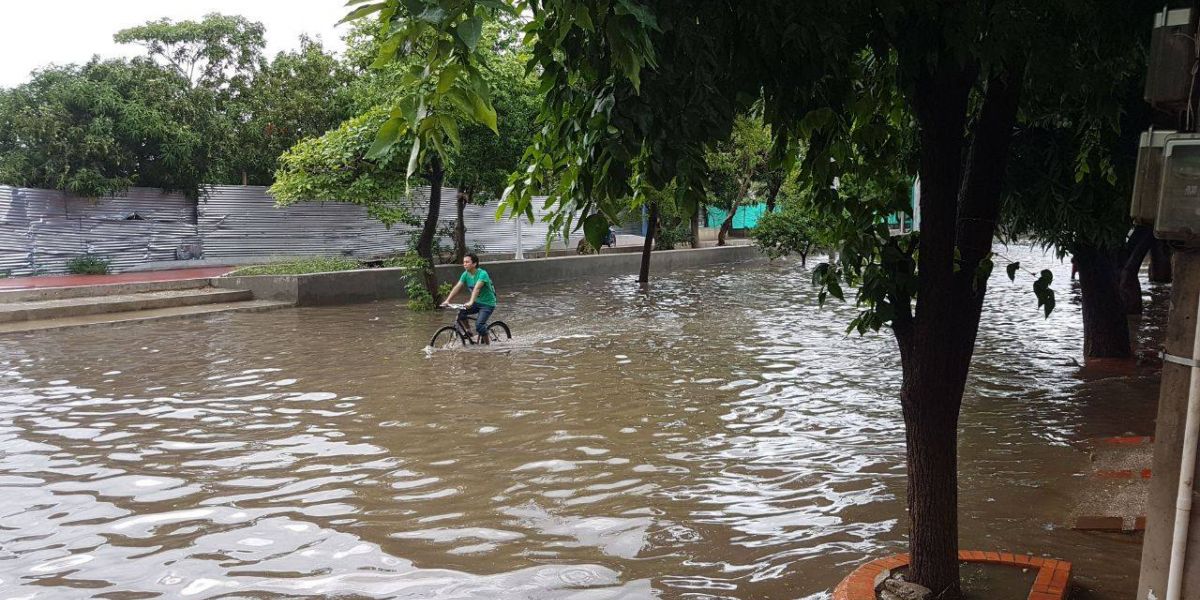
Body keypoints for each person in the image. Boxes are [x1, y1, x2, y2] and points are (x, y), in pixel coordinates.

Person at [440, 253, 497, 344]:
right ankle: (469, 331)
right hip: (476, 302)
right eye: (464, 262)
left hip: (488, 304)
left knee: (479, 325)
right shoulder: (465, 274)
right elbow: (458, 287)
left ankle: (487, 346)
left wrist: (471, 302)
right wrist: (447, 300)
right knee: (461, 313)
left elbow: (477, 288)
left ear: (474, 264)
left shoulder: (482, 274)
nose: (464, 264)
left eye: (467, 262)